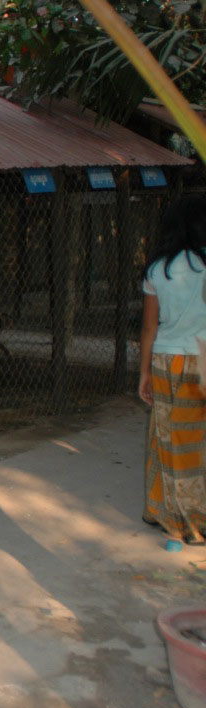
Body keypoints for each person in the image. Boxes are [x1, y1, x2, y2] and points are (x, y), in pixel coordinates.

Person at [139, 197, 206, 544]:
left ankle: (178, 521)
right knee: (194, 438)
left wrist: (144, 374)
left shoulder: (157, 271)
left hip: (167, 361)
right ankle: (191, 514)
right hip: (203, 358)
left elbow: (149, 329)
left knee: (167, 436)